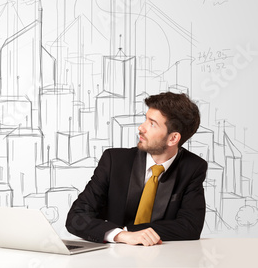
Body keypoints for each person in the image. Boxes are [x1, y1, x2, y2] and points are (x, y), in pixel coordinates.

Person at [66, 92, 207, 246]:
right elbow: (76, 217)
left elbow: (190, 227)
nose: (141, 127)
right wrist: (121, 234)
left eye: (152, 123)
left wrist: (132, 231)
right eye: (145, 119)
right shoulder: (114, 161)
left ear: (173, 138)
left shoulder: (193, 167)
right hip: (113, 258)